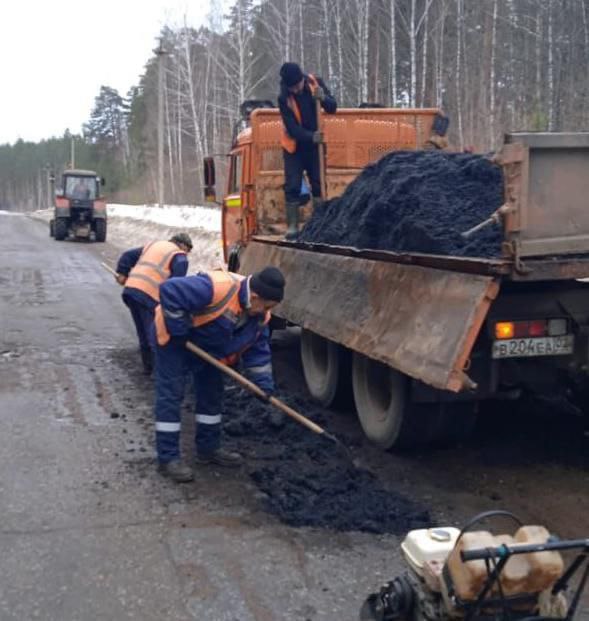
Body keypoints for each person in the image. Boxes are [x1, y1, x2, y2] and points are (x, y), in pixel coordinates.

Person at [152, 266, 286, 482]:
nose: (266, 311)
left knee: (212, 394)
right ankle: (168, 458)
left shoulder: (260, 317)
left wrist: (263, 385)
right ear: (255, 296)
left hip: (208, 348)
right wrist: (178, 330)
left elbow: (258, 355)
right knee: (171, 395)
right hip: (175, 340)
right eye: (267, 306)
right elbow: (170, 290)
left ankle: (208, 450)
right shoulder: (216, 287)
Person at [115, 233, 193, 374]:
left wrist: (122, 273)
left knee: (143, 333)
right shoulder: (179, 256)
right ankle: (159, 371)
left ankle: (148, 368)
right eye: (188, 249)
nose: (187, 253)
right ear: (182, 245)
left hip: (131, 291)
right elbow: (176, 286)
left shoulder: (154, 246)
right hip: (149, 297)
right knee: (155, 334)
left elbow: (127, 255)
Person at [278, 62, 337, 239]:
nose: (296, 90)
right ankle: (293, 228)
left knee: (318, 183)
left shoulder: (315, 83)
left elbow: (333, 108)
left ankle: (319, 223)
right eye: (292, 88)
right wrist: (312, 136)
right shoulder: (283, 98)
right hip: (294, 147)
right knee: (293, 185)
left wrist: (324, 98)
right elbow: (292, 128)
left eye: (298, 85)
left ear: (302, 79)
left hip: (314, 147)